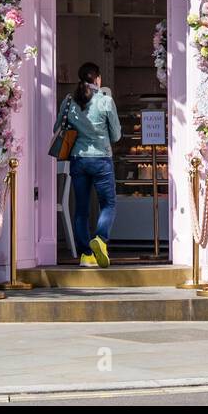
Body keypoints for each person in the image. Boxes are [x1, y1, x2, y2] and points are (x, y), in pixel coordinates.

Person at [57, 62, 121, 269]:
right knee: (108, 204)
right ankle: (101, 239)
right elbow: (117, 135)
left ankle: (86, 255)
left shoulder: (69, 101)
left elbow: (57, 128)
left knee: (81, 209)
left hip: (78, 159)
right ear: (98, 79)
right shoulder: (105, 101)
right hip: (102, 158)